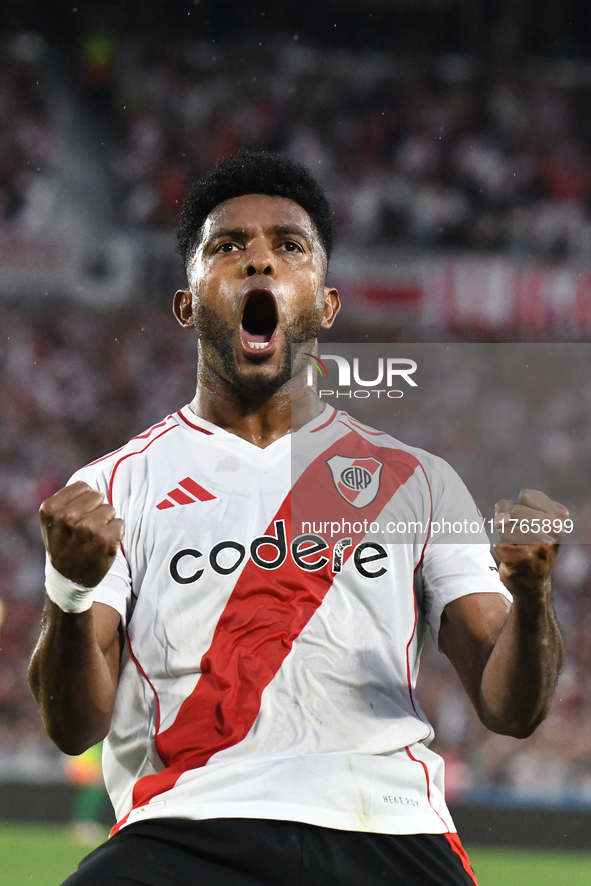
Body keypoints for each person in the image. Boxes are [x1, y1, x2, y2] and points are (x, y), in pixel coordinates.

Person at [28, 150, 566, 886]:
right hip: (185, 830)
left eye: (288, 246)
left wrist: (532, 600)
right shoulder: (115, 485)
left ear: (324, 303)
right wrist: (68, 592)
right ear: (186, 303)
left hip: (387, 830)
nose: (259, 264)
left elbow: (511, 709)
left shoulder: (417, 482)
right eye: (227, 247)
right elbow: (73, 727)